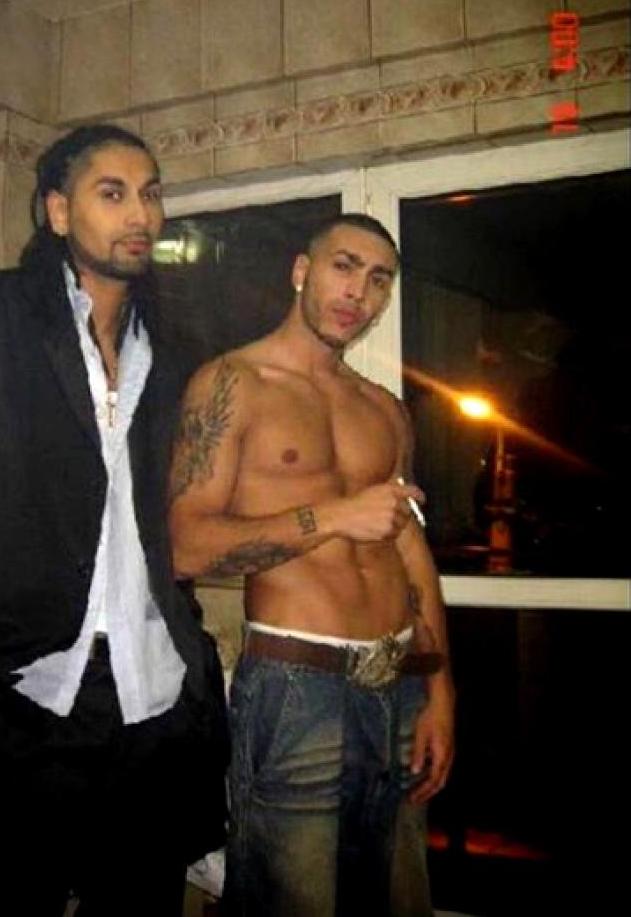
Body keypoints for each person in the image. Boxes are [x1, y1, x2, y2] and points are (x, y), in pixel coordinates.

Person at [0, 124, 228, 917]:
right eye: (113, 192)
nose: (140, 213)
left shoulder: (176, 354)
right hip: (18, 698)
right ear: (58, 211)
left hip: (154, 702)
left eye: (151, 193)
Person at [167, 213, 455, 917]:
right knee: (293, 900)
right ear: (302, 271)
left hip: (400, 686)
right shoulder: (231, 383)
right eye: (343, 266)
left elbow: (410, 548)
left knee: (397, 899)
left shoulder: (385, 409)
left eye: (378, 279)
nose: (359, 291)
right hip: (298, 686)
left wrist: (441, 690)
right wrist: (332, 516)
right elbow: (185, 547)